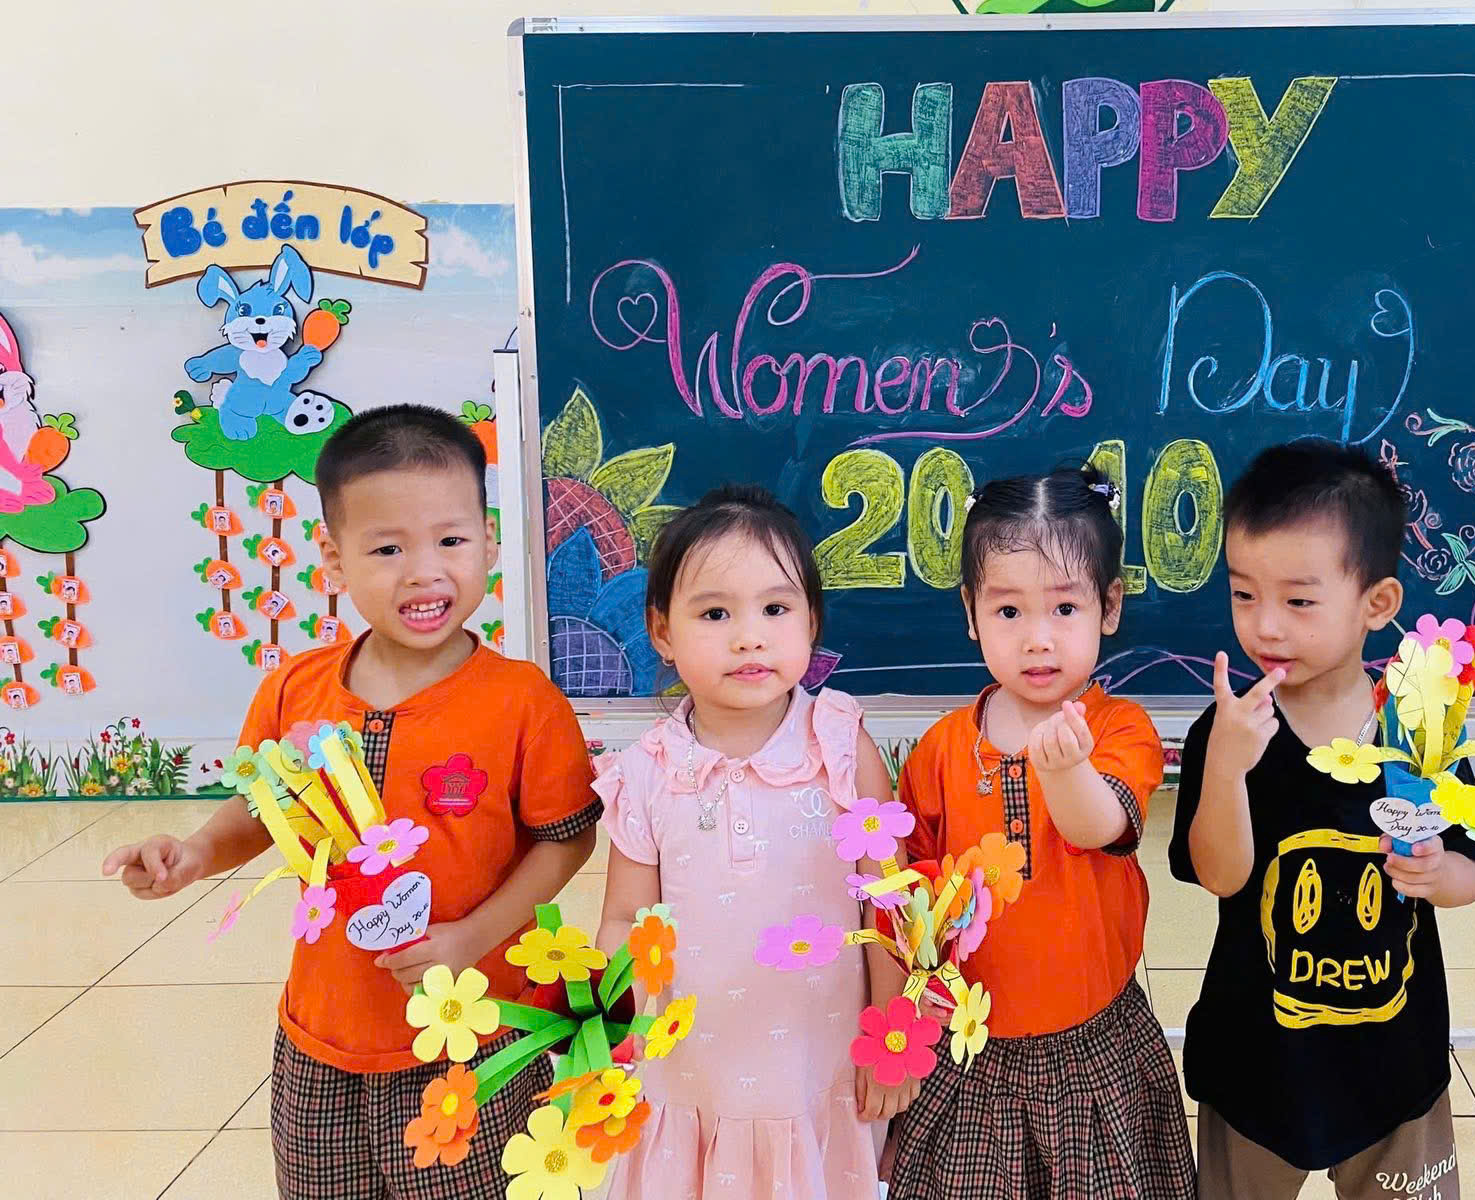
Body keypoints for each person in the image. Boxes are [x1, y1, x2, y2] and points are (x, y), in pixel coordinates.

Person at [103, 404, 599, 1200]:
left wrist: (471, 938)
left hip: (470, 1025)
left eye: (450, 541)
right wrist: (194, 853)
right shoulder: (295, 690)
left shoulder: (523, 701)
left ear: (489, 542)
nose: (424, 572)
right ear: (334, 559)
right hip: (322, 1032)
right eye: (388, 548)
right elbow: (263, 810)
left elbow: (565, 839)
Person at [1170, 440, 1475, 1200]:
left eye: (1299, 601)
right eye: (1243, 594)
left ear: (1376, 604)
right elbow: (1220, 875)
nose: (1265, 627)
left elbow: (1472, 875)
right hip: (1257, 1062)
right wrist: (1225, 768)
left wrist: (1438, 873)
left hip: (1396, 1065)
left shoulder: (1421, 726)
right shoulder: (1230, 730)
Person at [888, 467, 1194, 1200]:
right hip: (972, 1054)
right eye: (1008, 611)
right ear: (970, 613)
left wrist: (1065, 771)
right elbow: (908, 897)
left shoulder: (1119, 728)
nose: (1038, 639)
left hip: (1095, 1051)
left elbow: (1104, 826)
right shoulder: (940, 751)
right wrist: (912, 990)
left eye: (1064, 607)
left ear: (1108, 606)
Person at [592, 486, 905, 1200]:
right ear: (662, 631)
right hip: (687, 1078)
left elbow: (888, 908)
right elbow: (624, 918)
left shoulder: (840, 745)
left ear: (810, 621)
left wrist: (890, 1039)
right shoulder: (645, 772)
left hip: (818, 1071)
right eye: (714, 614)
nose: (748, 637)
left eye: (775, 609)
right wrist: (596, 1022)